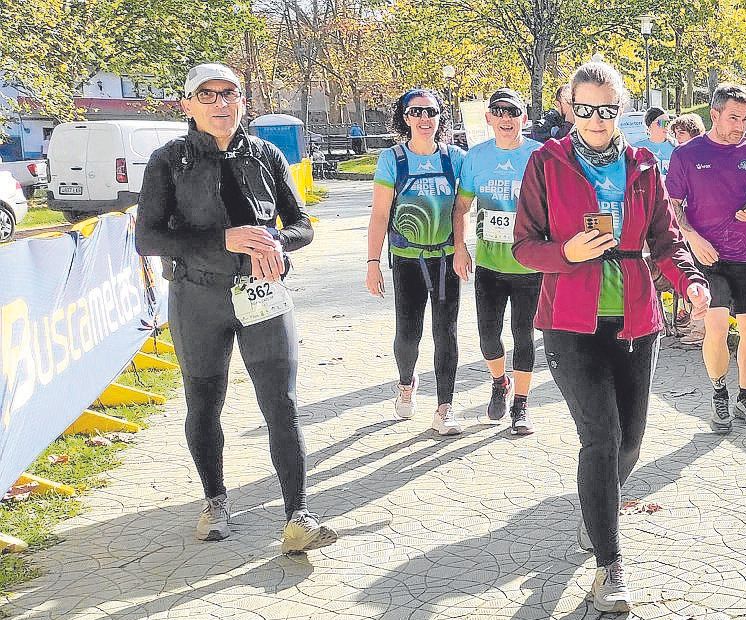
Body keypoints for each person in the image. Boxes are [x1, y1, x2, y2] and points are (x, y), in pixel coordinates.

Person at [512, 61, 709, 613]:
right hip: (570, 322)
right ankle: (608, 565)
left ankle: (594, 510)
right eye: (586, 108)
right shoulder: (546, 163)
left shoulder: (644, 164)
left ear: (621, 108)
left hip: (635, 320)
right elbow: (524, 245)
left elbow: (665, 241)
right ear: (569, 108)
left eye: (608, 109)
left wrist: (689, 282)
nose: (598, 119)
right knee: (600, 439)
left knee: (630, 444)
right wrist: (565, 253)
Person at [134, 63, 338, 554]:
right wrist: (221, 240)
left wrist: (279, 244)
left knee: (282, 404)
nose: (221, 103)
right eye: (207, 95)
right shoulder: (169, 161)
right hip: (198, 297)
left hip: (263, 296)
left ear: (243, 102)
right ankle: (215, 499)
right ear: (187, 105)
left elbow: (302, 224)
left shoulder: (267, 155)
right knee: (204, 402)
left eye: (230, 93)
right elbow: (148, 237)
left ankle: (298, 514)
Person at [666, 83, 746, 434]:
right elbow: (672, 205)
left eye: (745, 119)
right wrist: (691, 236)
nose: (740, 125)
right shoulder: (687, 155)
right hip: (708, 254)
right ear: (714, 115)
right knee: (716, 324)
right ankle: (719, 393)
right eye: (733, 117)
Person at [364, 89, 469, 436]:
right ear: (405, 118)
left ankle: (445, 408)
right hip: (408, 259)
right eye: (416, 112)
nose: (425, 119)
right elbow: (380, 215)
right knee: (408, 335)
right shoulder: (392, 159)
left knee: (446, 333)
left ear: (440, 117)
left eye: (431, 112)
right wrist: (372, 262)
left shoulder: (455, 158)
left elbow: (462, 208)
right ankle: (406, 383)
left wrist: (462, 247)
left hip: (445, 259)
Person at [454, 88, 545, 435]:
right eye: (499, 112)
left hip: (529, 266)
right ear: (489, 118)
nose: (506, 119)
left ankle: (521, 405)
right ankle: (499, 381)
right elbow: (461, 207)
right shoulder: (475, 157)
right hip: (490, 266)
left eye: (513, 112)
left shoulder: (539, 155)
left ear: (524, 117)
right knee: (488, 338)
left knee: (524, 335)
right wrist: (460, 247)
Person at [633, 106, 676, 172]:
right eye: (662, 123)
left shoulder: (676, 146)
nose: (666, 126)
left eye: (668, 123)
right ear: (650, 125)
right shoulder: (637, 148)